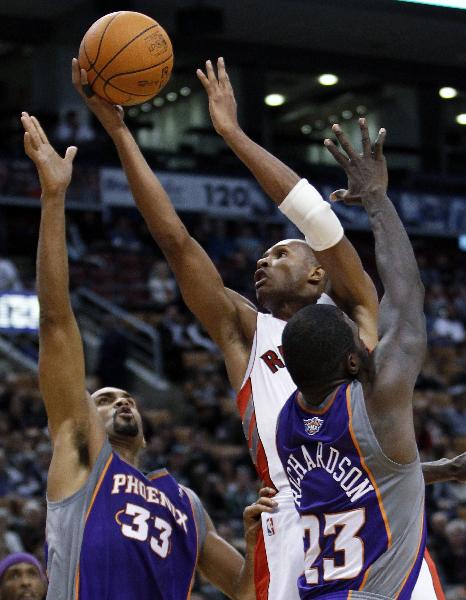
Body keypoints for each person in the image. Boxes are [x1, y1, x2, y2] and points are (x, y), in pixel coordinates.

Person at [72, 58, 463, 599]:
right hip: (292, 530)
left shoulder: (354, 312)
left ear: (318, 274)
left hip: (379, 529)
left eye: (280, 253)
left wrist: (234, 135)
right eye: (262, 255)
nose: (263, 262)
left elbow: (319, 222)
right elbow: (176, 242)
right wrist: (118, 131)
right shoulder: (244, 331)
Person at [20, 112, 275, 600]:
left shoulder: (186, 503)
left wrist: (253, 541)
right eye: (107, 397)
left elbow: (246, 594)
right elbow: (56, 322)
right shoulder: (81, 453)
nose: (122, 402)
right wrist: (54, 198)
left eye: (127, 398)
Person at [275, 124, 429, 597]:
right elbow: (406, 299)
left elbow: (357, 483)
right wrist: (377, 199)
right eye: (361, 343)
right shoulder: (378, 403)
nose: (371, 342)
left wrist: (433, 470)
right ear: (352, 363)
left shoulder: (288, 424)